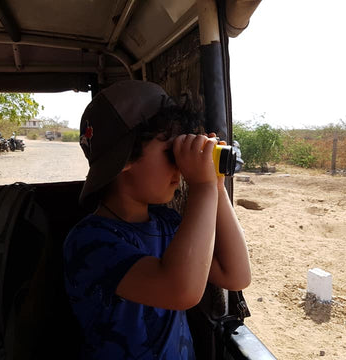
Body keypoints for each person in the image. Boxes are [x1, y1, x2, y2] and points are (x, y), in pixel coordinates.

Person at [63, 80, 251, 359]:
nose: (180, 166)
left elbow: (235, 275)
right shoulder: (90, 242)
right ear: (125, 159)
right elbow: (180, 291)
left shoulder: (168, 223)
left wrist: (216, 185)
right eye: (170, 153)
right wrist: (201, 187)